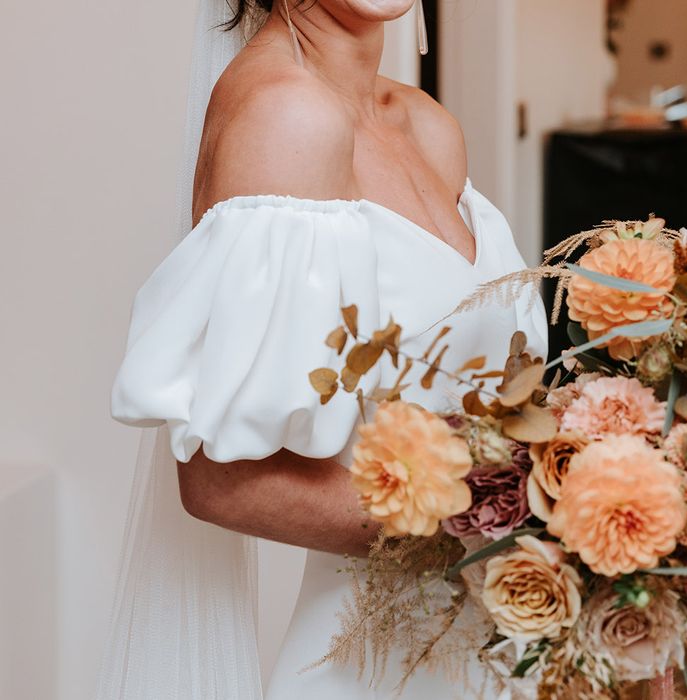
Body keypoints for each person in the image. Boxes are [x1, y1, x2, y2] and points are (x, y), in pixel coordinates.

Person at [101, 1, 548, 698]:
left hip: (503, 649)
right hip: (374, 667)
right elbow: (221, 483)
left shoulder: (429, 125)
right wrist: (501, 522)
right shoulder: (286, 116)